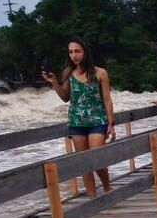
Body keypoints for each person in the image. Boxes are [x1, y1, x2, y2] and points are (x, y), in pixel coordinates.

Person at [41, 36, 115, 197]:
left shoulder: (100, 72)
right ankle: (92, 198)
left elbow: (108, 100)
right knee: (84, 163)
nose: (74, 55)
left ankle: (107, 187)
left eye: (77, 51)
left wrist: (111, 124)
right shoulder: (68, 72)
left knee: (96, 159)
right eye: (71, 52)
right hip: (76, 122)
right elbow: (65, 97)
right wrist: (54, 81)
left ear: (85, 52)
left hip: (97, 120)